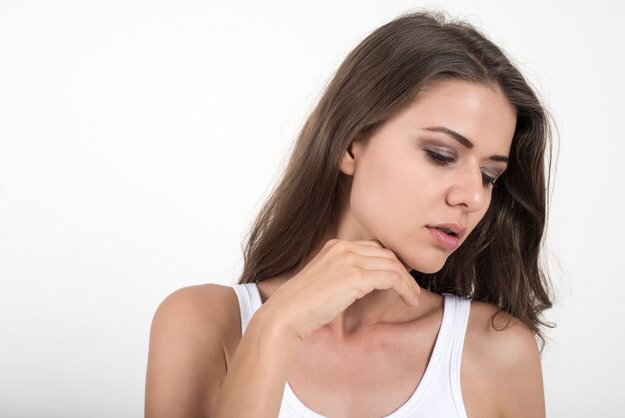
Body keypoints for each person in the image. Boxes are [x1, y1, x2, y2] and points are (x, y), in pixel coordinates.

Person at [145, 10, 555, 418]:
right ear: (350, 145)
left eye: (488, 175)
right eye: (441, 155)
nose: (473, 197)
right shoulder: (200, 324)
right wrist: (275, 329)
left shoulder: (497, 350)